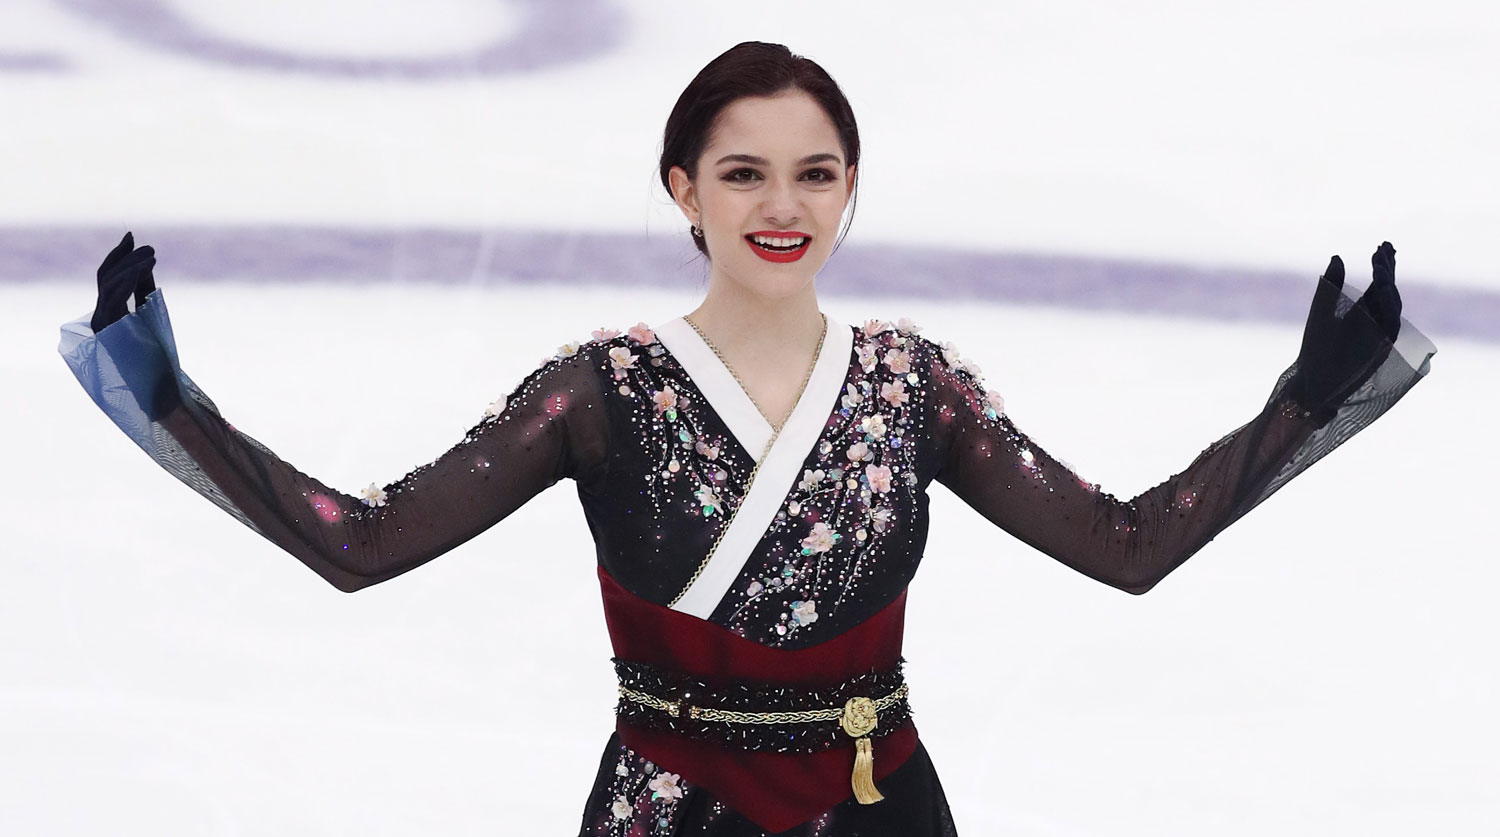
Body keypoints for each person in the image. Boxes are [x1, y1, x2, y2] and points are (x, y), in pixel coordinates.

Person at [58, 41, 1436, 837]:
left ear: (851, 191)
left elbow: (1127, 546)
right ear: (685, 190)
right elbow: (363, 544)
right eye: (744, 173)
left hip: (875, 805)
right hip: (671, 813)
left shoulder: (913, 386)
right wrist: (167, 396)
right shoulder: (602, 391)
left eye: (815, 174)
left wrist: (1308, 399)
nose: (784, 206)